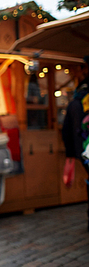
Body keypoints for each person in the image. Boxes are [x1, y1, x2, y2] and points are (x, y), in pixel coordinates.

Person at [61, 58, 89, 232]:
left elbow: (66, 131)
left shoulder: (75, 101)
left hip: (83, 152)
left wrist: (71, 153)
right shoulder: (79, 102)